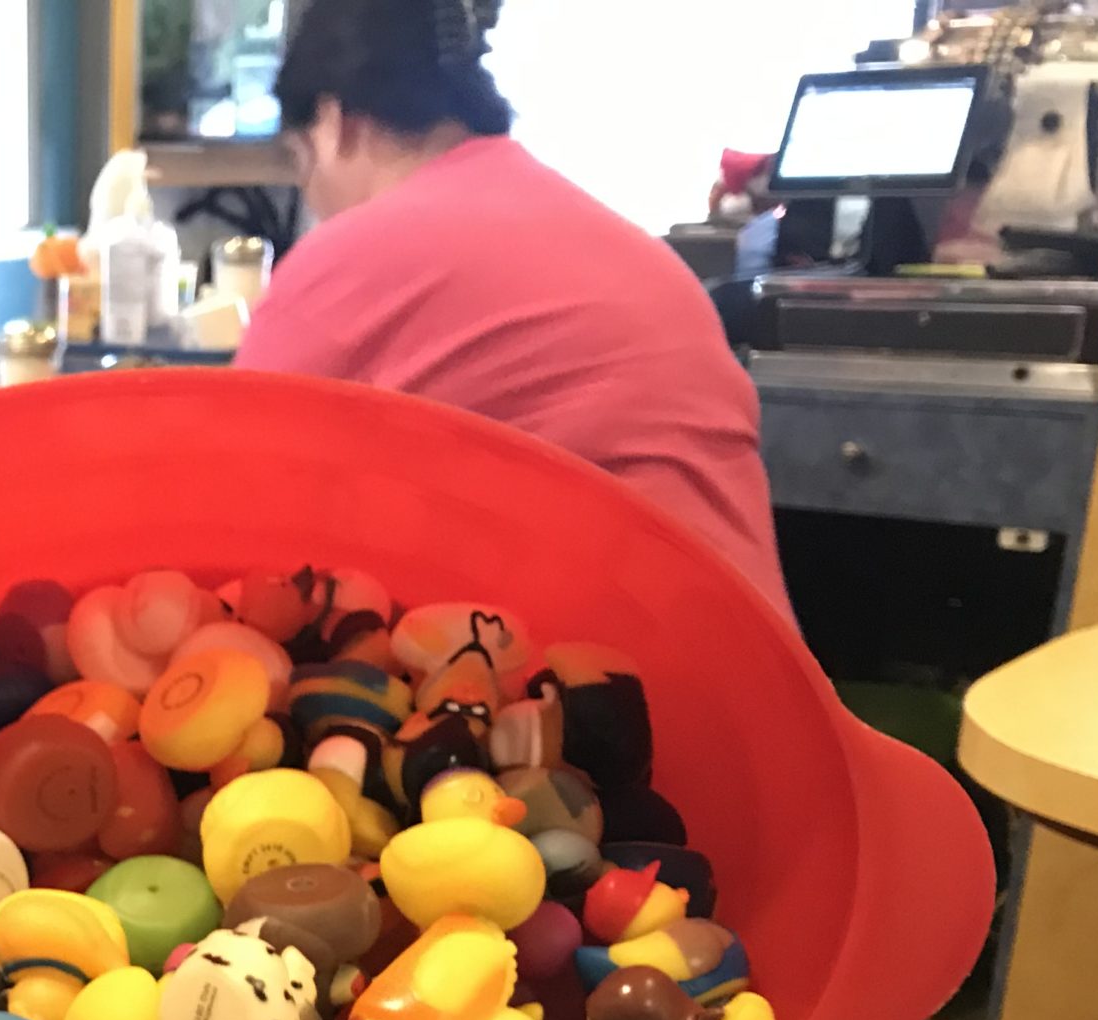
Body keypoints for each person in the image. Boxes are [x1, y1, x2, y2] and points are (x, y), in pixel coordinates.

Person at [237, 0, 791, 618]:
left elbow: (227, 501)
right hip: (758, 653)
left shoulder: (349, 253)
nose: (313, 197)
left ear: (334, 122)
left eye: (301, 163)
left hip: (622, 659)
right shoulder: (599, 229)